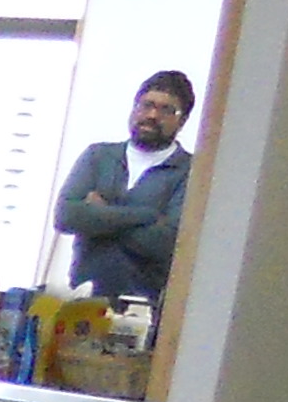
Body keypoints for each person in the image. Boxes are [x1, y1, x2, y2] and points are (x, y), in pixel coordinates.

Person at [53, 70, 196, 304]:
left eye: (166, 110)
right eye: (146, 105)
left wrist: (100, 214)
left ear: (182, 121)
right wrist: (147, 215)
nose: (152, 115)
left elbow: (166, 242)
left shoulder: (189, 170)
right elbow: (66, 216)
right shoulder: (99, 156)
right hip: (83, 302)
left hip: (143, 307)